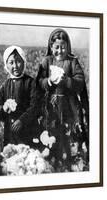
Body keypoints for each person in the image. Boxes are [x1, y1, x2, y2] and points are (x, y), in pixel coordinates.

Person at [36, 28, 89, 170]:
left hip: (68, 105)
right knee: (52, 131)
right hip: (51, 105)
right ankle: (53, 159)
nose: (60, 50)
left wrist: (67, 81)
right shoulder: (46, 61)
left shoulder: (72, 62)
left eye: (63, 47)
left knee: (69, 132)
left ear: (68, 47)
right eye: (56, 47)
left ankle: (71, 160)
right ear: (51, 47)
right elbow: (38, 81)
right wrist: (48, 81)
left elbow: (80, 82)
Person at [0, 46, 38, 147]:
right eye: (11, 62)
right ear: (6, 65)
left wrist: (22, 120)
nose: (15, 66)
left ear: (24, 62)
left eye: (18, 61)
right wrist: (3, 108)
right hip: (9, 134)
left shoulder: (30, 82)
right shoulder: (6, 85)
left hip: (27, 132)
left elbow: (35, 106)